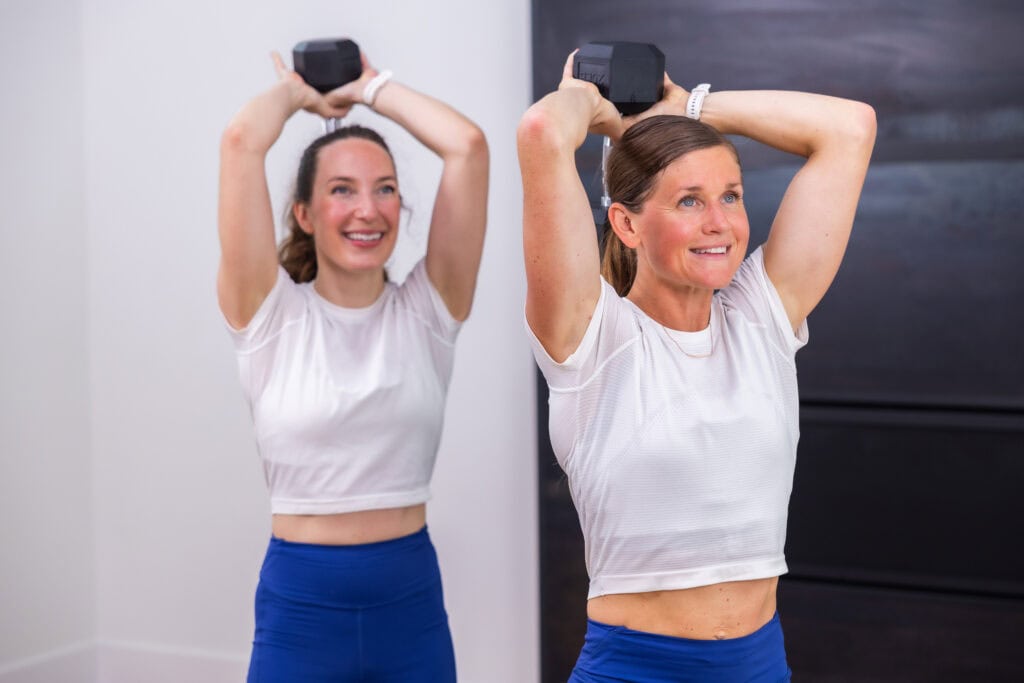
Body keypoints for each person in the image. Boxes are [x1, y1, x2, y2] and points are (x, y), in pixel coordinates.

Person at [517, 50, 875, 682]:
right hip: (633, 669)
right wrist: (588, 103)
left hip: (759, 664)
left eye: (730, 196)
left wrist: (686, 108)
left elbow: (849, 128)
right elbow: (544, 134)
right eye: (689, 201)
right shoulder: (593, 338)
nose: (720, 224)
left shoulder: (761, 318)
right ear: (626, 224)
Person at [217, 45, 488, 682]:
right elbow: (240, 141)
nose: (368, 209)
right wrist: (297, 94)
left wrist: (371, 87)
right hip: (302, 611)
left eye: (385, 189)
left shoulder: (429, 309)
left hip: (410, 605)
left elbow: (467, 147)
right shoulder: (267, 314)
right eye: (343, 190)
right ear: (305, 216)